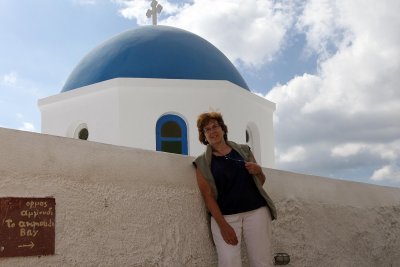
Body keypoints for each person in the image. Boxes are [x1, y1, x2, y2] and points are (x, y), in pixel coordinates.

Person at [193, 112, 277, 267]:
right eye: (207, 130)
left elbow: (261, 182)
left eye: (215, 126)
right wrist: (223, 226)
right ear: (204, 136)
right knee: (229, 262)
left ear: (223, 129)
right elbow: (208, 196)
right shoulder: (202, 162)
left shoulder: (244, 151)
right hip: (226, 218)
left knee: (261, 261)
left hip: (256, 212)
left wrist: (258, 171)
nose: (212, 131)